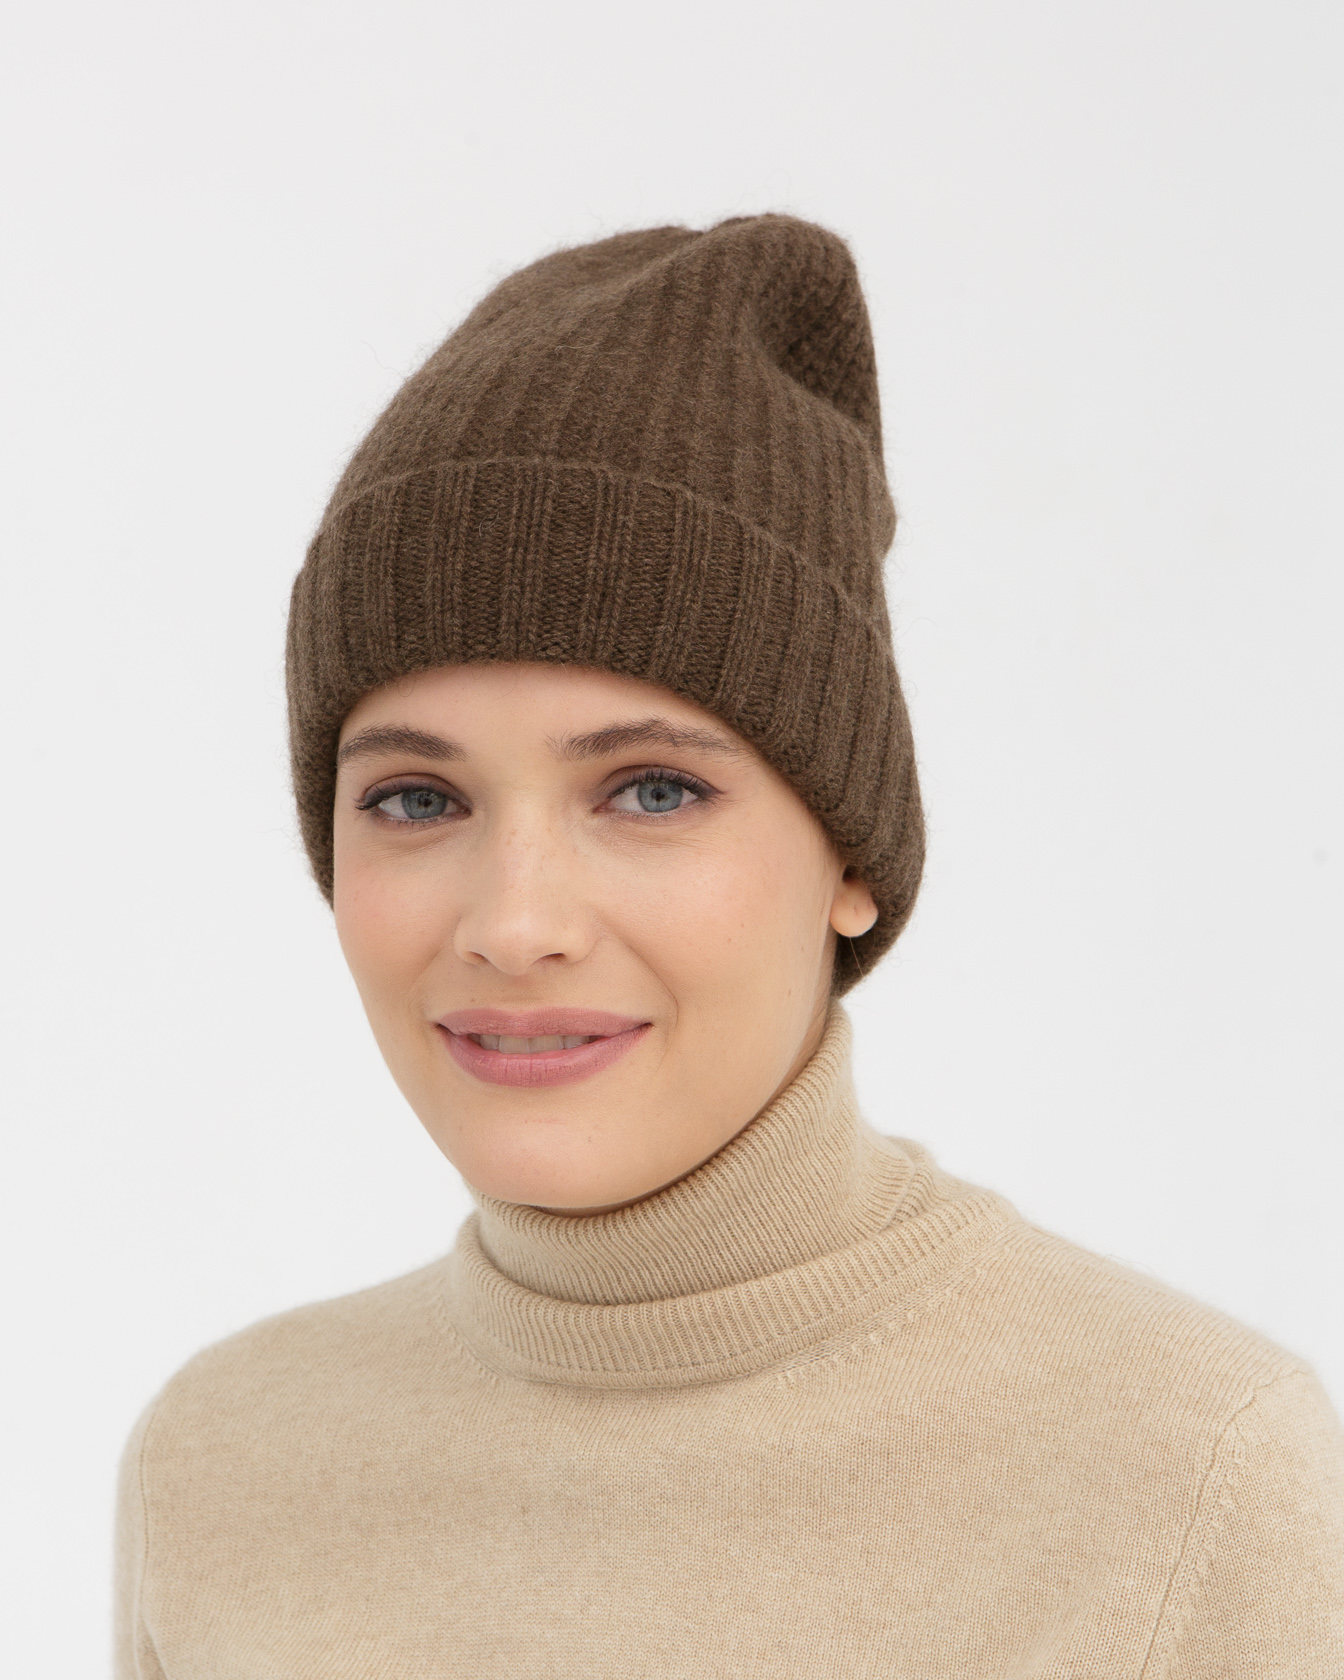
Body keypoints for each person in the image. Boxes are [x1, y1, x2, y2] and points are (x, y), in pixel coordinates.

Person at [115, 215, 1344, 1678]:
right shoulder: (223, 1472)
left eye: (652, 791)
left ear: (850, 855)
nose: (515, 925)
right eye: (417, 799)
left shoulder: (1193, 1485)